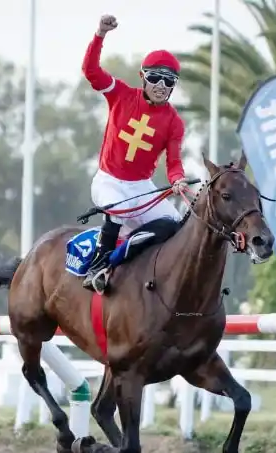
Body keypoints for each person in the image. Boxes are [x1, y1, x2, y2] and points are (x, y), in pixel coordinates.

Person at [80, 14, 190, 293]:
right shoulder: (120, 94)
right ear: (143, 76)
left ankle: (132, 265)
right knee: (119, 211)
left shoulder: (174, 121)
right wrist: (100, 35)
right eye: (155, 78)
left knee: (175, 224)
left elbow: (174, 163)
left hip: (141, 187)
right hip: (108, 181)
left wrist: (178, 180)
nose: (161, 86)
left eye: (169, 81)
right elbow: (91, 70)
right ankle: (98, 266)